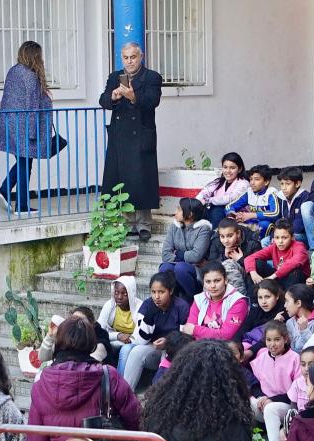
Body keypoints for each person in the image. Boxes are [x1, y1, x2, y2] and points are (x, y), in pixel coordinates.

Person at [99, 42, 162, 242]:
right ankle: (127, 222)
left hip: (141, 134)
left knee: (142, 178)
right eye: (126, 58)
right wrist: (115, 97)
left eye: (133, 57)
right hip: (120, 135)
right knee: (121, 178)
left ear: (140, 56)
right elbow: (103, 101)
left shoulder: (152, 77)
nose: (129, 61)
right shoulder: (114, 76)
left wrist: (132, 96)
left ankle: (144, 223)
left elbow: (153, 101)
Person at [0, 41, 54, 215]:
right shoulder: (30, 76)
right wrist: (33, 133)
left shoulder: (14, 71)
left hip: (9, 125)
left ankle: (6, 191)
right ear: (36, 56)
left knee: (23, 162)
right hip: (25, 128)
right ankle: (21, 204)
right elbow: (32, 105)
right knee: (25, 163)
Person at [122, 272, 190, 389]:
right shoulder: (147, 305)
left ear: (171, 291)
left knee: (168, 354)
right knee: (135, 351)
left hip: (174, 350)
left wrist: (168, 342)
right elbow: (140, 340)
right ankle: (126, 394)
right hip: (153, 348)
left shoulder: (181, 306)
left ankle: (161, 396)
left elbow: (187, 336)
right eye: (153, 292)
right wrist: (149, 316)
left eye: (161, 292)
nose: (156, 297)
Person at [249, 321, 300, 441]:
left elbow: (297, 391)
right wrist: (261, 397)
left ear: (285, 339)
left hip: (288, 406)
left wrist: (270, 399)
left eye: (277, 339)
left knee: (271, 408)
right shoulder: (261, 356)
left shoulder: (295, 358)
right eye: (269, 340)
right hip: (264, 403)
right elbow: (254, 382)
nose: (272, 344)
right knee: (245, 401)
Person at [160, 197, 212, 301]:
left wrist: (177, 254)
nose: (176, 212)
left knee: (181, 268)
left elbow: (196, 256)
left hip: (197, 272)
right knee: (165, 268)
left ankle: (191, 299)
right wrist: (187, 257)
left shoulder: (203, 229)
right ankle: (171, 301)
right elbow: (165, 254)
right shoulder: (174, 226)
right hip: (179, 266)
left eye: (179, 209)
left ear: (190, 214)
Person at [181, 261, 249, 340]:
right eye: (208, 282)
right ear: (203, 283)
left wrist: (195, 330)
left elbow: (226, 335)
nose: (212, 286)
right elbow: (189, 329)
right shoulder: (199, 299)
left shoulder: (238, 301)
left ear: (226, 280)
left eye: (217, 280)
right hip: (199, 346)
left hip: (226, 347)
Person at [244, 220, 310, 289]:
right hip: (279, 278)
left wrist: (272, 277)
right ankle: (253, 297)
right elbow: (249, 258)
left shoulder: (299, 246)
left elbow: (294, 262)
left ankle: (287, 298)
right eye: (277, 237)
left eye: (284, 237)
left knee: (295, 271)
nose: (280, 241)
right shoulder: (274, 247)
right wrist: (253, 272)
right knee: (256, 264)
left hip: (297, 284)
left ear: (292, 237)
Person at [224, 164, 281, 240]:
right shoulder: (249, 192)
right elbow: (230, 206)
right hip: (251, 222)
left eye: (256, 179)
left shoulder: (271, 193)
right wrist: (233, 215)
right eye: (251, 179)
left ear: (266, 182)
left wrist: (252, 215)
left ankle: (260, 246)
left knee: (264, 224)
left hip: (268, 225)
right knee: (229, 223)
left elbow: (275, 213)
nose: (252, 183)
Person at [97, 276, 143, 369]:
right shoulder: (109, 305)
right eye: (116, 293)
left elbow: (139, 337)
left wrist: (126, 339)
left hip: (133, 343)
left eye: (124, 294)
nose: (119, 297)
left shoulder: (140, 307)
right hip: (115, 339)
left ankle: (119, 380)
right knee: (99, 346)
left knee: (125, 350)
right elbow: (99, 331)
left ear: (131, 293)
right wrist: (118, 336)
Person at [207, 218, 261, 296]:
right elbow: (211, 266)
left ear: (238, 233)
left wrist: (241, 260)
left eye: (230, 236)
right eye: (222, 236)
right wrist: (224, 257)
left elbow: (260, 266)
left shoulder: (252, 241)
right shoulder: (216, 241)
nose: (226, 240)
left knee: (229, 265)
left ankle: (240, 300)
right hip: (222, 279)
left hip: (248, 278)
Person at [195, 152, 249, 228]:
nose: (228, 171)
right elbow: (205, 192)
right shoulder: (219, 181)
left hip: (233, 213)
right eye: (225, 167)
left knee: (217, 211)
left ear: (239, 169)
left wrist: (208, 200)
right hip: (216, 210)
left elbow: (230, 198)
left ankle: (216, 236)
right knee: (197, 210)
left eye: (232, 168)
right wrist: (197, 202)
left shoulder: (243, 183)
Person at [235, 279, 285, 358]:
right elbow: (243, 328)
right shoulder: (256, 309)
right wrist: (235, 345)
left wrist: (251, 351)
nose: (263, 301)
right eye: (260, 297)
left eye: (267, 297)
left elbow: (270, 339)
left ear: (277, 296)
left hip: (267, 349)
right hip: (249, 343)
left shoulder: (282, 312)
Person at [276, 167, 314, 245]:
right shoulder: (280, 197)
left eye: (288, 184)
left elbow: (298, 227)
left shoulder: (305, 197)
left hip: (303, 236)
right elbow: (277, 220)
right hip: (286, 234)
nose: (284, 188)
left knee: (290, 237)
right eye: (282, 184)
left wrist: (282, 234)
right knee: (266, 241)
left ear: (297, 184)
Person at [285, 284, 314, 353]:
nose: (285, 305)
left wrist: (304, 330)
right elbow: (294, 349)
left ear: (298, 303)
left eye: (287, 301)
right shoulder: (289, 322)